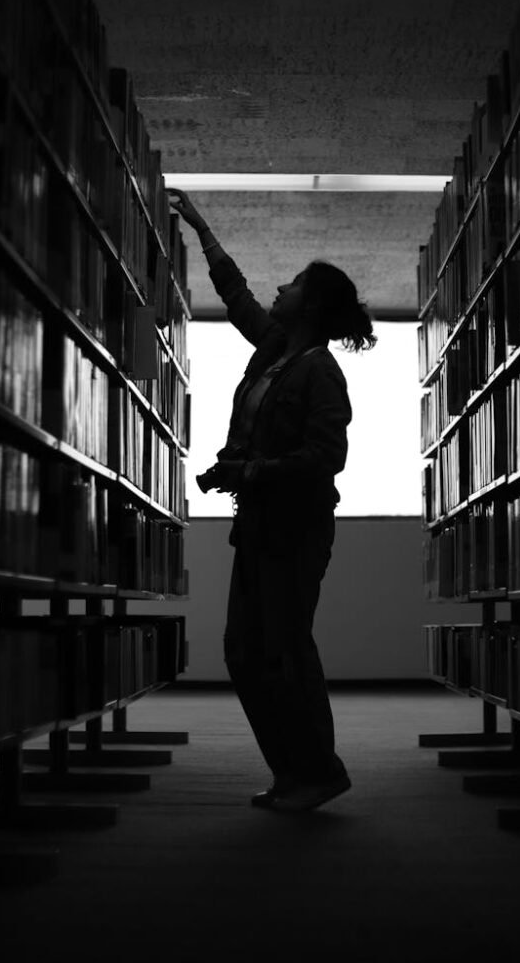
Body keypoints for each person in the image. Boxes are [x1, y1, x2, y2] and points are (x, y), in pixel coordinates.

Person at [168, 188, 377, 812]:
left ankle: (317, 772)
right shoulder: (273, 352)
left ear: (309, 306)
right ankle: (292, 771)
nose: (278, 289)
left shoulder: (320, 372)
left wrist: (254, 471)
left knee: (284, 648)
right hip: (258, 525)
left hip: (295, 529)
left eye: (290, 283)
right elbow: (237, 299)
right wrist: (200, 227)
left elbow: (326, 460)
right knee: (243, 650)